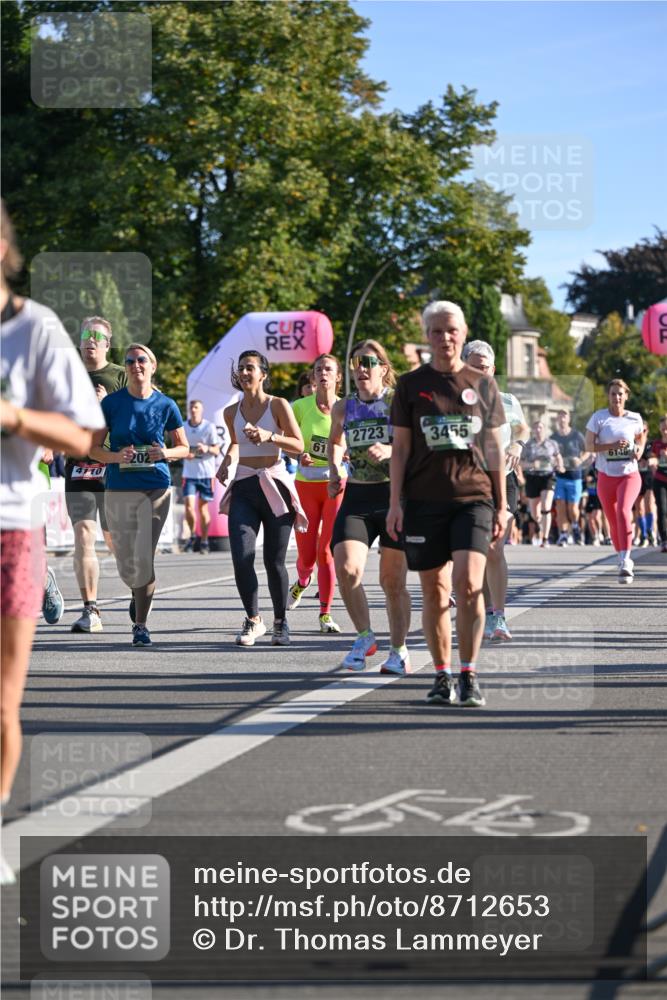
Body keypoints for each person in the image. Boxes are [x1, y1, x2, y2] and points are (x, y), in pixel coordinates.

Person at [1, 201, 105, 883]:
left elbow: (85, 436)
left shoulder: (34, 328)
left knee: (1, 701)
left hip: (10, 525)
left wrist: (13, 417)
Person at [387, 300, 506, 708]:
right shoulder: (409, 385)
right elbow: (400, 450)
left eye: (451, 330)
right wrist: (395, 503)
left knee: (469, 585)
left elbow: (494, 448)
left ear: (463, 332)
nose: (444, 338)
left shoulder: (483, 385)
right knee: (436, 592)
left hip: (474, 498)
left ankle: (468, 673)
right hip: (424, 500)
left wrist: (502, 505)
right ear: (426, 336)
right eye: (436, 331)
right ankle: (442, 676)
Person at [89, 343, 189, 645]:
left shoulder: (166, 405)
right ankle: (137, 590)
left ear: (152, 366)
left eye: (141, 360)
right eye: (130, 361)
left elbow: (184, 448)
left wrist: (165, 453)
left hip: (155, 487)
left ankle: (141, 625)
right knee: (125, 563)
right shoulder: (112, 404)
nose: (136, 365)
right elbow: (93, 449)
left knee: (144, 557)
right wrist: (116, 456)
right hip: (119, 488)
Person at [328, 339, 411, 674]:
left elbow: (417, 444)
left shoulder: (397, 402)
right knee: (347, 569)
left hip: (394, 497)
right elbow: (335, 441)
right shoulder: (343, 407)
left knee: (392, 582)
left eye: (368, 362)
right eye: (356, 363)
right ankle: (364, 637)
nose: (361, 368)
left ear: (383, 368)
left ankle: (399, 650)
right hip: (358, 497)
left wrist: (391, 450)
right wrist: (334, 469)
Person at [217, 350, 305, 646]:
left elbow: (298, 445)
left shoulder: (277, 405)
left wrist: (270, 436)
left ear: (263, 374)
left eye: (250, 368)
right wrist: (226, 462)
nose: (244, 372)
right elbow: (235, 443)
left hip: (275, 486)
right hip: (244, 487)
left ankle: (280, 622)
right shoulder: (231, 412)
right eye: (241, 368)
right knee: (241, 556)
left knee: (274, 560)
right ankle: (254, 620)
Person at [462, 340, 529, 644]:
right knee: (478, 550)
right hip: (468, 480)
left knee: (494, 547)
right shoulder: (455, 399)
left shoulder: (507, 400)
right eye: (473, 366)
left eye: (485, 367)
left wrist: (517, 444)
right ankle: (487, 611)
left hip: (503, 479)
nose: (480, 372)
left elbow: (522, 428)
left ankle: (498, 615)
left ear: (493, 369)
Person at [65, 315, 127, 633]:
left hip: (114, 465)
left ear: (107, 343)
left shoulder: (121, 375)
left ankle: (139, 588)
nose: (91, 340)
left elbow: (137, 420)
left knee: (116, 541)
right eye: (86, 334)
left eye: (97, 336)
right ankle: (91, 609)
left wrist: (108, 405)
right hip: (79, 464)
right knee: (84, 535)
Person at [289, 354, 346, 634]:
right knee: (307, 557)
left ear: (338, 377)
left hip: (335, 485)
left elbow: (355, 443)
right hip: (305, 485)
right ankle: (302, 581)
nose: (323, 373)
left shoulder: (347, 408)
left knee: (326, 551)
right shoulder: (299, 407)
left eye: (328, 369)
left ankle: (325, 613)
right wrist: (298, 455)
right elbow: (286, 443)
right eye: (318, 369)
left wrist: (346, 453)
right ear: (313, 376)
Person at [585, 379, 645, 583]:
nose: (617, 397)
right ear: (608, 396)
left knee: (623, 511)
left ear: (626, 396)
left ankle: (627, 560)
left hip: (629, 475)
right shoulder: (599, 418)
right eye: (613, 394)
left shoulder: (634, 418)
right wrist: (610, 447)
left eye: (620, 394)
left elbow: (640, 438)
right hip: (606, 476)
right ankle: (621, 557)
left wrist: (639, 450)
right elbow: (589, 446)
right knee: (612, 520)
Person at [182, 399, 221, 554]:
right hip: (189, 474)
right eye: (191, 408)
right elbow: (179, 448)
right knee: (189, 507)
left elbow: (217, 450)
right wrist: (185, 453)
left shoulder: (208, 427)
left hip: (206, 474)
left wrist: (206, 448)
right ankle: (192, 536)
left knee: (202, 508)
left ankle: (204, 540)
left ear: (201, 410)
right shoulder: (183, 426)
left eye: (196, 407)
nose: (193, 410)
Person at [550, 409, 591, 547]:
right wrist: (555, 463)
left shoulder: (576, 435)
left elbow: (587, 450)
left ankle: (575, 525)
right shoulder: (553, 437)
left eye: (565, 416)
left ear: (569, 419)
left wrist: (580, 460)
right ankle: (563, 535)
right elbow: (549, 455)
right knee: (560, 506)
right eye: (560, 416)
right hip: (559, 476)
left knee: (573, 508)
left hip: (574, 476)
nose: (562, 418)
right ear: (557, 419)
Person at [521, 420, 564, 547]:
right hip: (532, 478)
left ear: (544, 429)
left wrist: (560, 466)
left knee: (546, 507)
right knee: (534, 513)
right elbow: (520, 463)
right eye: (536, 427)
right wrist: (531, 464)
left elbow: (558, 457)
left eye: (540, 427)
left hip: (548, 476)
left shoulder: (552, 443)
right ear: (533, 430)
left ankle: (545, 539)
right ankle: (540, 523)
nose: (538, 430)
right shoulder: (528, 445)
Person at [633, 424, 656, 547]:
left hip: (649, 477)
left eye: (644, 430)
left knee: (649, 505)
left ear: (647, 431)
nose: (641, 432)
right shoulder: (633, 445)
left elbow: (656, 458)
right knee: (639, 508)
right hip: (636, 477)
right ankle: (643, 534)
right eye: (639, 430)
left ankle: (650, 531)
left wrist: (650, 461)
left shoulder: (651, 444)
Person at [648, 413, 667, 552]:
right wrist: (653, 462)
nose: (665, 431)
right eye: (663, 428)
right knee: (662, 509)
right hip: (660, 480)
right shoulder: (656, 444)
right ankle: (664, 540)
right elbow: (652, 458)